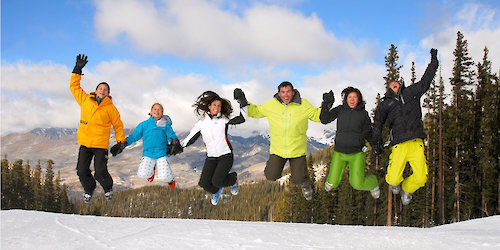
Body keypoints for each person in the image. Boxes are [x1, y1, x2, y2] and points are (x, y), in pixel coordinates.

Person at [372, 48, 439, 205]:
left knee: (422, 177)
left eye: (396, 82)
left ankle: (407, 189)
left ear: (401, 84)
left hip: (416, 141)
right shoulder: (385, 104)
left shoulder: (411, 92)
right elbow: (377, 123)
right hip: (399, 144)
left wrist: (434, 62)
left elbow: (425, 81)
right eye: (391, 83)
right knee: (393, 178)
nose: (394, 83)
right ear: (388, 88)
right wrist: (376, 141)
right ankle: (395, 183)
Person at [234, 81, 322, 200]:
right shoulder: (272, 104)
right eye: (283, 92)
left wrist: (325, 105)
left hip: (297, 150)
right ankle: (273, 166)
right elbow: (255, 111)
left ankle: (306, 185)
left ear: (293, 92)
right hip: (277, 150)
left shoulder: (303, 104)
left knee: (299, 179)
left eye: (288, 92)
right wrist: (243, 101)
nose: (286, 95)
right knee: (270, 175)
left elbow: (317, 115)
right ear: (279, 93)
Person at [69, 54, 126, 203]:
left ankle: (108, 189)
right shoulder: (85, 100)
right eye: (100, 88)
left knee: (100, 172)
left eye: (105, 89)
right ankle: (89, 189)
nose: (102, 90)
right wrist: (77, 70)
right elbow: (74, 87)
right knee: (81, 171)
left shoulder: (111, 108)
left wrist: (121, 141)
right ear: (96, 90)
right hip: (85, 143)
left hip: (100, 145)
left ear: (108, 93)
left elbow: (118, 125)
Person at [181, 91, 245, 205]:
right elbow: (189, 139)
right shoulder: (201, 123)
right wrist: (177, 147)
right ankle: (216, 191)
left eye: (219, 105)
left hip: (225, 156)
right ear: (209, 106)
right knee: (204, 184)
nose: (217, 107)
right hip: (211, 158)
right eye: (214, 105)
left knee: (217, 181)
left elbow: (242, 118)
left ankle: (233, 178)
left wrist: (242, 101)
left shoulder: (224, 120)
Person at [320, 87, 380, 199]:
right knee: (331, 184)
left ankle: (373, 183)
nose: (352, 99)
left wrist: (375, 145)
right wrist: (326, 104)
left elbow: (368, 132)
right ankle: (332, 182)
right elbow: (324, 119)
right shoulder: (340, 110)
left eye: (355, 97)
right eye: (350, 97)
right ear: (346, 99)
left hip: (357, 153)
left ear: (359, 99)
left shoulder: (363, 114)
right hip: (339, 153)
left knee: (357, 184)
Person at [111, 103, 182, 188]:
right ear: (151, 112)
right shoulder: (144, 125)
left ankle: (170, 180)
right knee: (142, 174)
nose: (157, 111)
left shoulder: (165, 125)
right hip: (148, 153)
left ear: (162, 113)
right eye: (155, 109)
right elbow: (134, 137)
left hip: (162, 153)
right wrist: (123, 144)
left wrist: (175, 142)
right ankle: (150, 173)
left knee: (164, 176)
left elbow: (172, 136)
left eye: (159, 109)